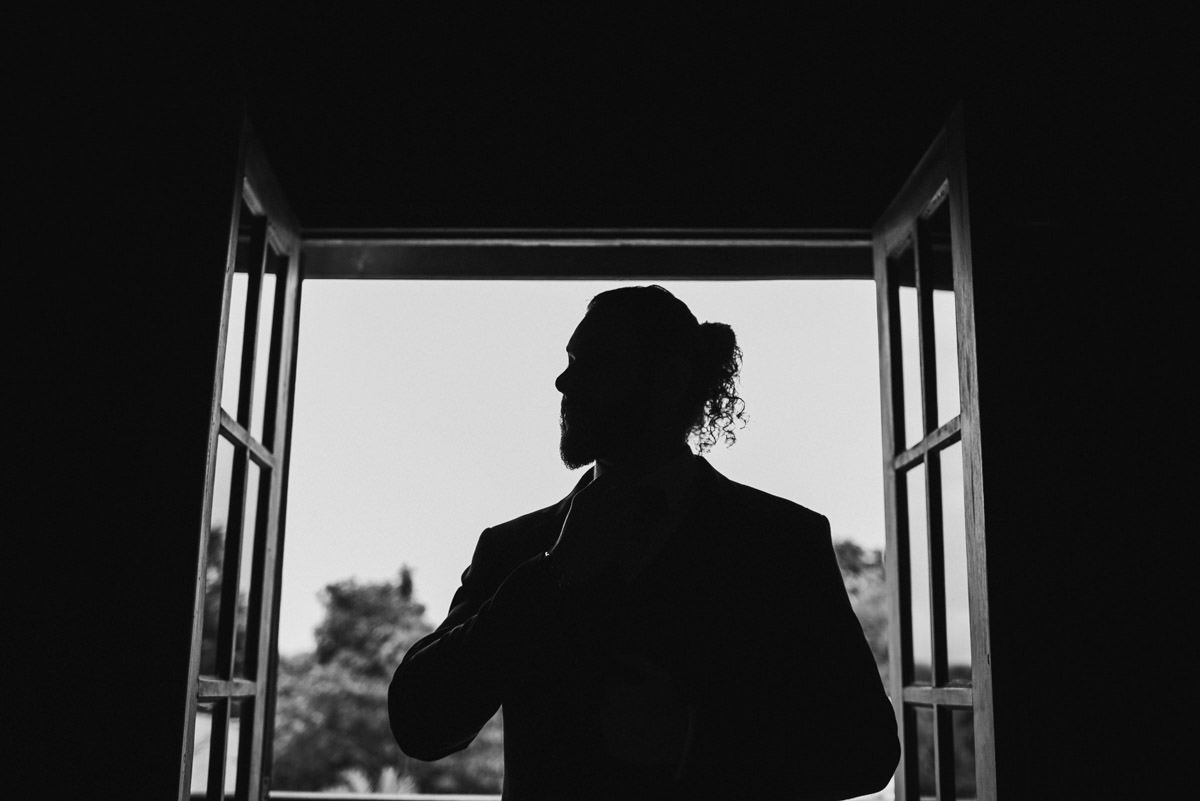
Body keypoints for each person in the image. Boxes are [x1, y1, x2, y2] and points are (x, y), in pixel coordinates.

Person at [389, 285, 899, 800]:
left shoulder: (783, 543)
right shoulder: (514, 549)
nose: (563, 380)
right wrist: (552, 573)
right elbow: (419, 724)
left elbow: (868, 750)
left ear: (668, 380)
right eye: (569, 360)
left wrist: (691, 742)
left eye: (594, 361)